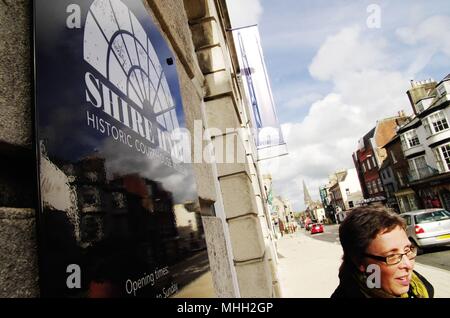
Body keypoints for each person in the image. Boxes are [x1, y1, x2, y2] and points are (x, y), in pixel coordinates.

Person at [331, 205, 434, 298]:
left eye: (407, 251)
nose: (408, 265)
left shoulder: (421, 289)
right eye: (392, 255)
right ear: (359, 262)